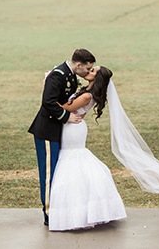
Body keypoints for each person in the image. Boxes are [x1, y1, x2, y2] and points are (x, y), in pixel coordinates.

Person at [49, 66, 127, 231]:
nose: (88, 72)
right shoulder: (85, 92)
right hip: (72, 125)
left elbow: (65, 108)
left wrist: (48, 86)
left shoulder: (86, 96)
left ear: (97, 78)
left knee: (73, 162)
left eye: (92, 71)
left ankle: (77, 212)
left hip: (73, 130)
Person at [28, 49, 96, 226]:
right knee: (49, 174)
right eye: (88, 69)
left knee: (57, 173)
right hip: (48, 131)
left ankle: (58, 210)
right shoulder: (58, 75)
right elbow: (48, 102)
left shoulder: (71, 75)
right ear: (78, 65)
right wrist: (67, 117)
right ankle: (49, 214)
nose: (89, 72)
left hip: (57, 131)